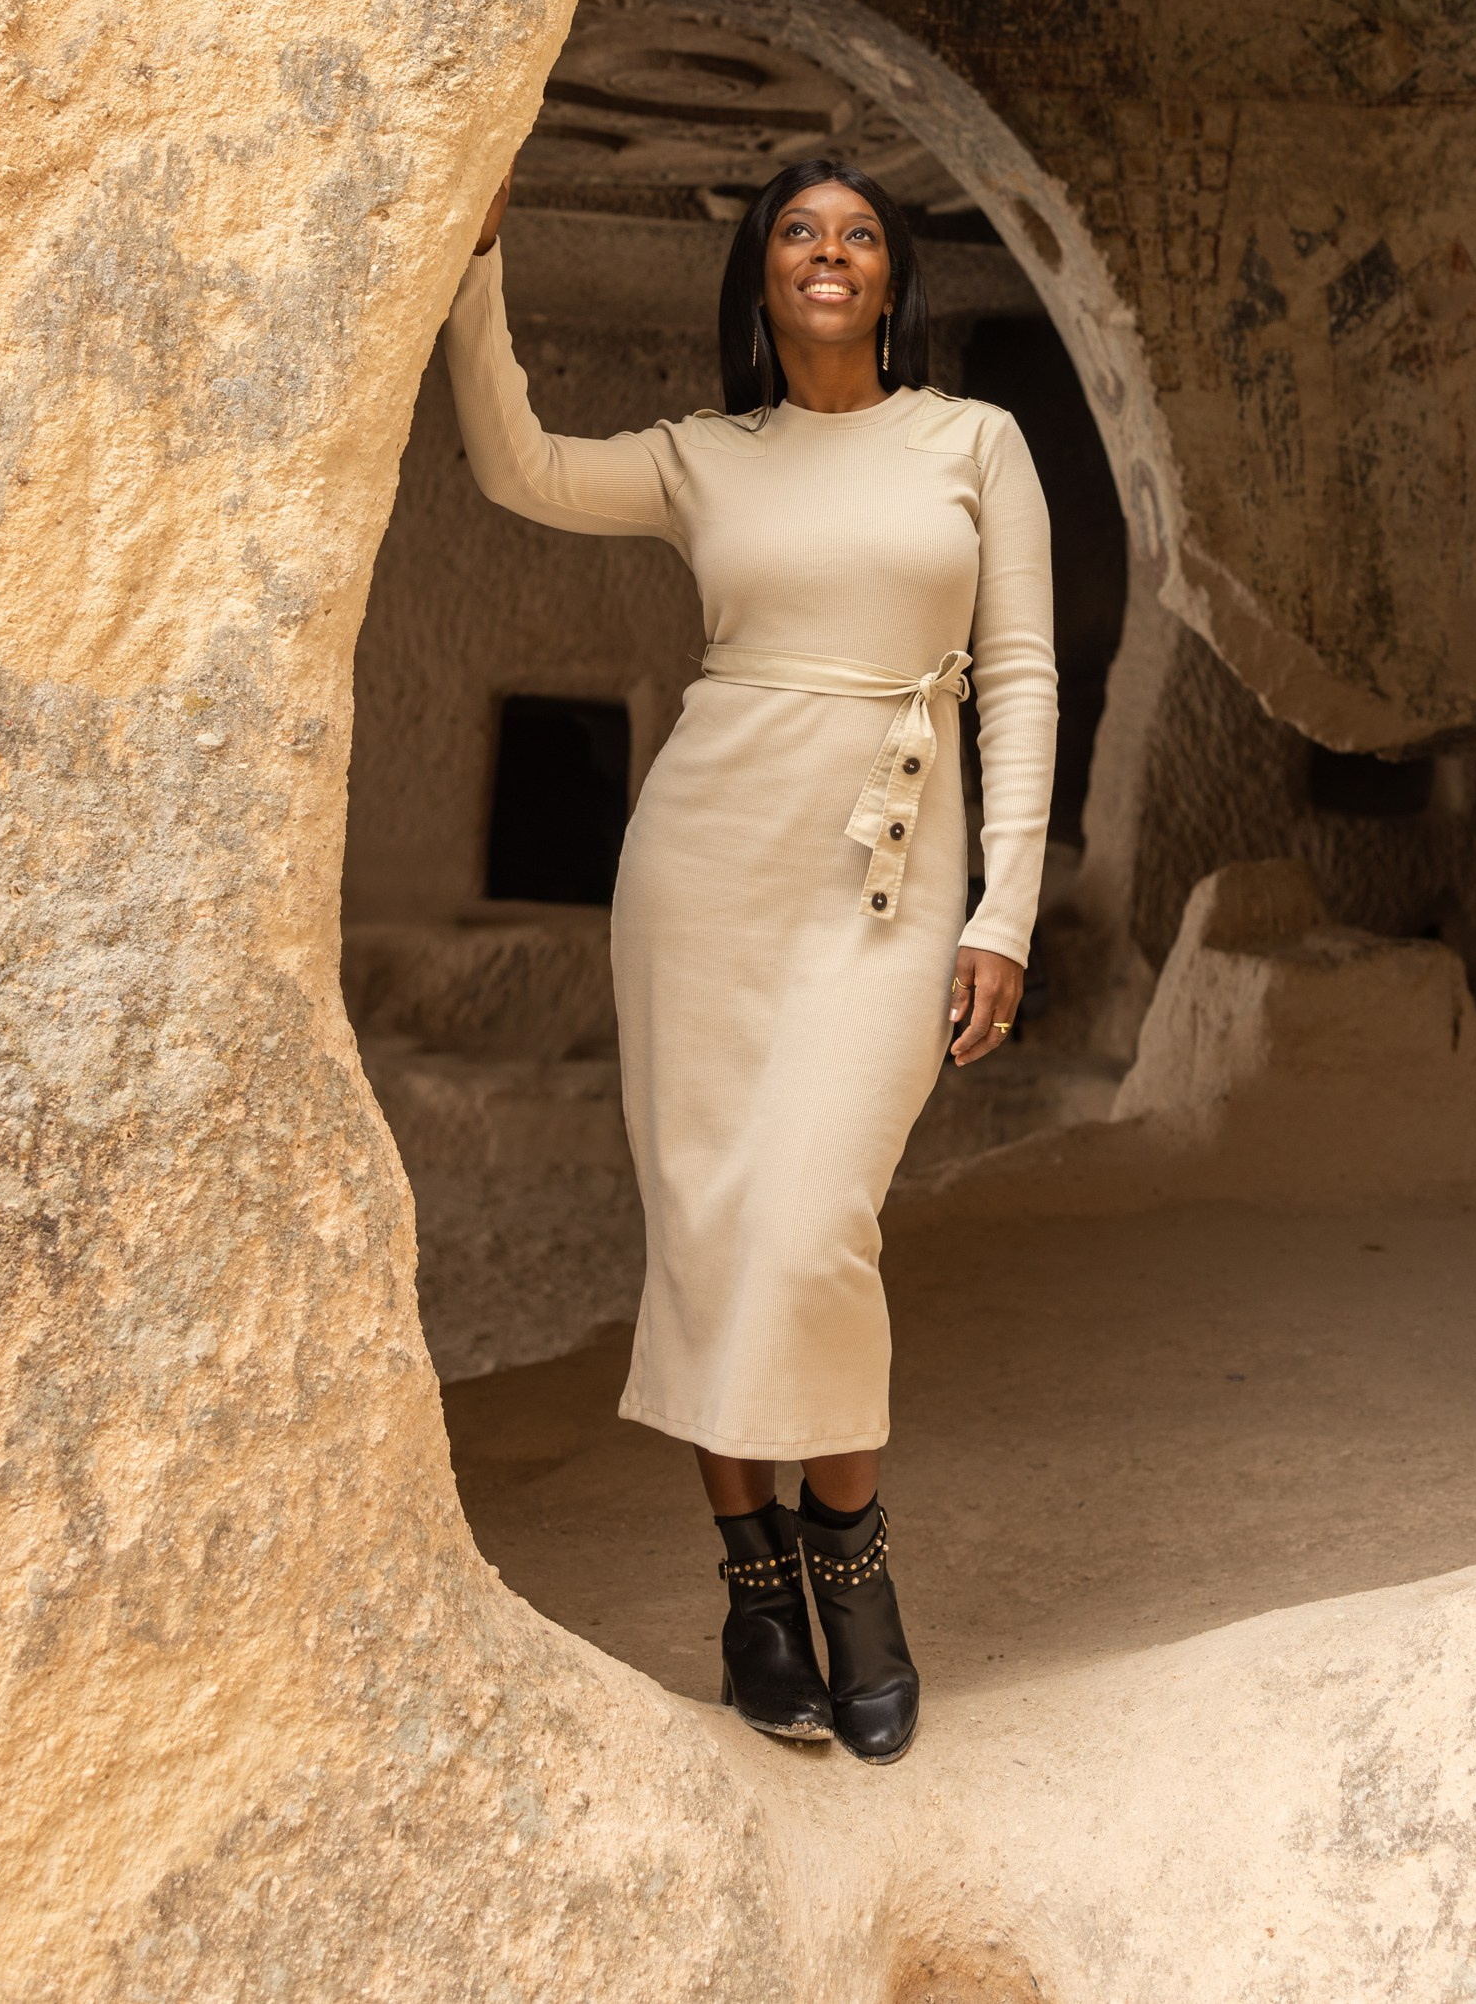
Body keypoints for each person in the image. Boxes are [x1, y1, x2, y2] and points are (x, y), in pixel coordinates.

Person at [443, 155, 1057, 1763]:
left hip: (887, 883)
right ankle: (756, 1593)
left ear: (894, 274)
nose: (828, 253)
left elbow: (1021, 676)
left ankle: (850, 1566)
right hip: (704, 873)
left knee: (810, 1224)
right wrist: (474, 262)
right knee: (713, 1229)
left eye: (858, 234)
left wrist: (1002, 909)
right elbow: (515, 466)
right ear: (762, 272)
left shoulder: (972, 443)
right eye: (797, 231)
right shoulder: (702, 458)